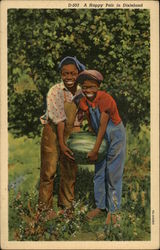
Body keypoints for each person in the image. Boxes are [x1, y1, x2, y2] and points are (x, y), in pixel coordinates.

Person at [75, 70, 126, 225]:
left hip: (114, 136)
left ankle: (114, 210)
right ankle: (100, 206)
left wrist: (95, 150)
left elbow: (103, 126)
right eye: (84, 87)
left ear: (98, 86)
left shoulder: (105, 99)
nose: (87, 90)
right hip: (100, 137)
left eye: (91, 87)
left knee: (113, 173)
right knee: (99, 172)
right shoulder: (84, 100)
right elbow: (91, 121)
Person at [38, 56, 85, 219]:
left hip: (71, 131)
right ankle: (45, 210)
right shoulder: (55, 91)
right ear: (61, 74)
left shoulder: (81, 92)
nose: (69, 77)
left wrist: (76, 141)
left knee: (69, 170)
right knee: (49, 170)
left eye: (73, 73)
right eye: (65, 74)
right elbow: (59, 121)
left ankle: (66, 207)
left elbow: (79, 118)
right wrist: (62, 144)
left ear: (78, 73)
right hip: (52, 131)